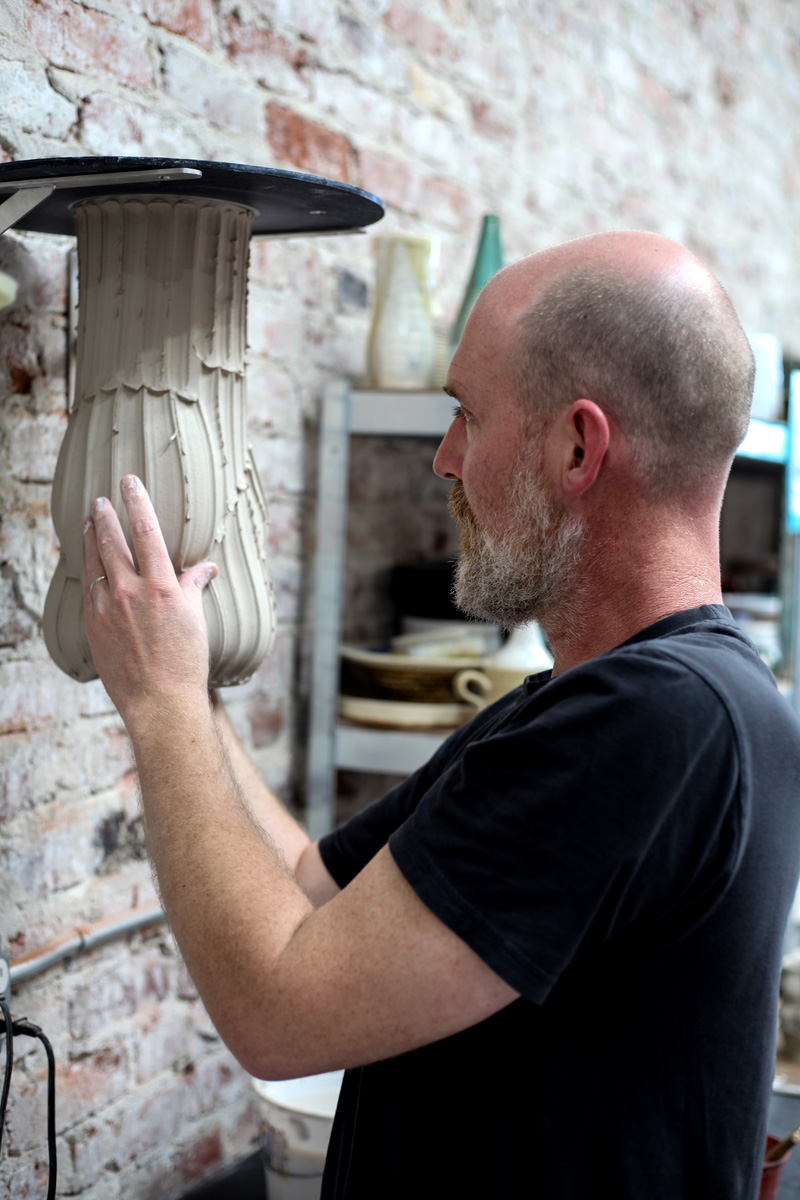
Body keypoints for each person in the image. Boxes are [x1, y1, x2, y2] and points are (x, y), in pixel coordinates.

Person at [82, 230, 800, 1199]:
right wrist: (192, 682)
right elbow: (312, 889)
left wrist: (159, 704)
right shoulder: (602, 706)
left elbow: (277, 1009)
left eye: (465, 414)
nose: (442, 459)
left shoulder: (654, 722)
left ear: (576, 446)